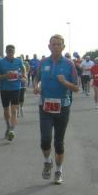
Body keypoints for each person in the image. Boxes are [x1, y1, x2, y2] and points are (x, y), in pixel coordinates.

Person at [33, 34, 79, 184]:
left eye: (59, 44)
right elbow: (36, 77)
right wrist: (35, 86)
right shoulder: (43, 62)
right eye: (53, 44)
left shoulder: (69, 64)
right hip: (45, 106)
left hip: (62, 107)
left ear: (63, 47)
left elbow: (76, 88)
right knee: (45, 140)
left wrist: (65, 82)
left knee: (59, 143)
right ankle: (47, 162)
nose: (56, 47)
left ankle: (59, 171)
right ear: (49, 46)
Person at [0, 44, 25, 141]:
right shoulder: (0, 62)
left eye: (12, 51)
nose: (10, 53)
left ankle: (12, 130)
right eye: (8, 51)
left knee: (14, 111)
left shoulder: (19, 61)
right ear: (6, 52)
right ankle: (8, 126)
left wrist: (24, 76)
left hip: (16, 88)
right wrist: (5, 76)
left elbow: (24, 69)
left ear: (14, 52)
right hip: (4, 89)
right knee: (6, 111)